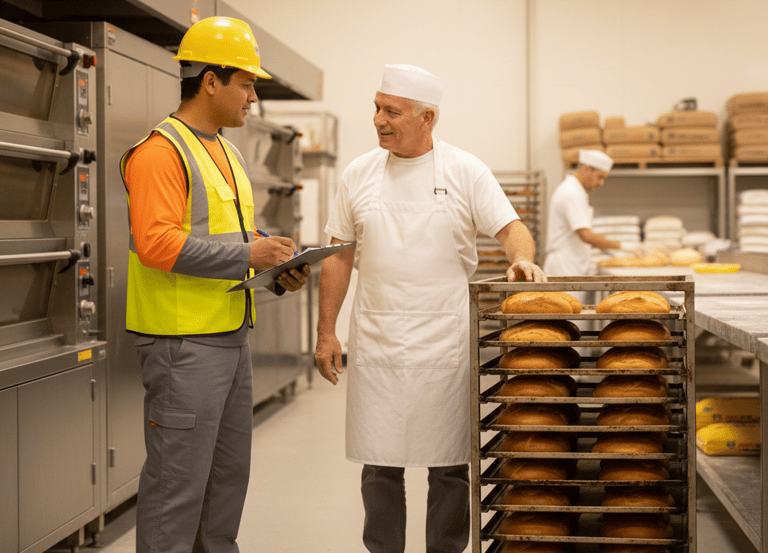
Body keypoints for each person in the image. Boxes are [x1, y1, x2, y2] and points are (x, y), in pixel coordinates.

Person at [314, 63, 545, 553]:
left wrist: (522, 260)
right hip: (378, 338)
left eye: (392, 111)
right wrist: (326, 332)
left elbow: (511, 228)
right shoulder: (359, 173)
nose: (378, 119)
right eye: (377, 107)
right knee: (379, 465)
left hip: (445, 341)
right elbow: (338, 255)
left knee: (449, 467)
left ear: (428, 117)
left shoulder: (464, 170)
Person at [120, 17, 309, 553]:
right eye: (246, 83)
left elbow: (235, 235)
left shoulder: (226, 151)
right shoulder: (159, 152)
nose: (253, 96)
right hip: (182, 346)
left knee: (226, 483)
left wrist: (275, 263)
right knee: (175, 489)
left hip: (229, 338)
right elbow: (156, 245)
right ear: (210, 80)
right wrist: (250, 253)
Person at [544, 149, 642, 284]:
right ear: (586, 169)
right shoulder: (572, 193)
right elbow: (586, 235)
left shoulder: (575, 190)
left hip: (572, 264)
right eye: (600, 177)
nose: (601, 183)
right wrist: (623, 246)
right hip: (565, 267)